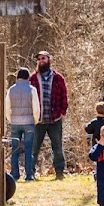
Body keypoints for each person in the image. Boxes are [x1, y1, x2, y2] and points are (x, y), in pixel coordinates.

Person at [29, 50, 69, 179]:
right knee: (34, 148)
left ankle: (59, 172)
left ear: (49, 60)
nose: (41, 61)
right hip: (38, 120)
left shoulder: (58, 78)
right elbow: (28, 97)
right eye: (39, 59)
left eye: (43, 58)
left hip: (54, 119)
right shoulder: (33, 78)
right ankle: (30, 173)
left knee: (57, 147)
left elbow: (64, 95)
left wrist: (62, 111)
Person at [5, 67, 41, 182]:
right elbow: (36, 108)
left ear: (17, 77)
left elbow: (7, 108)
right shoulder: (32, 89)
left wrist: (11, 120)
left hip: (15, 122)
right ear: (28, 77)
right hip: (29, 122)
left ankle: (14, 174)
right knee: (28, 150)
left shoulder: (11, 90)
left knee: (15, 149)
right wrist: (35, 120)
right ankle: (29, 175)